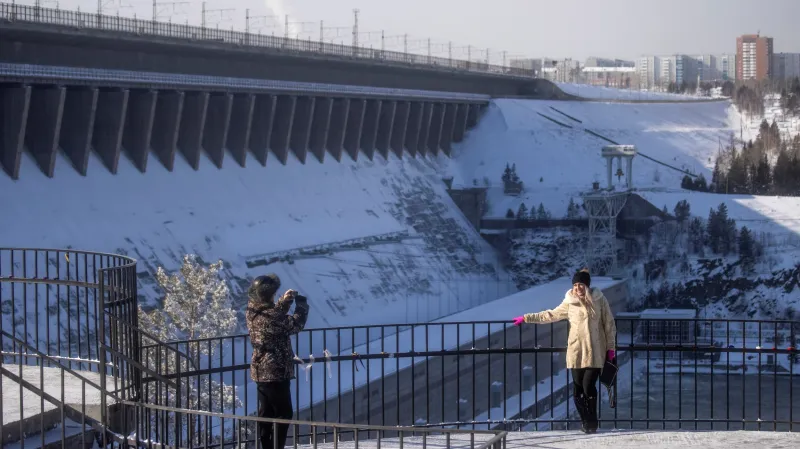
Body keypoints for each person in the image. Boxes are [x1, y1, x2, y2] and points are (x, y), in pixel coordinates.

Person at [512, 269, 616, 434]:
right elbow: (550, 315)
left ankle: (592, 421)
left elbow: (609, 325)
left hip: (595, 350)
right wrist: (526, 318)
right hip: (576, 351)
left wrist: (611, 348)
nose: (577, 288)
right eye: (575, 285)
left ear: (587, 285)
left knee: (589, 386)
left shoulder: (599, 300)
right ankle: (585, 421)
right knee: (577, 388)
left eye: (580, 284)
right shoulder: (569, 303)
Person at [246, 274, 310, 449]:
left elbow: (273, 315)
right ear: (269, 295)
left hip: (260, 370)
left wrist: (284, 301)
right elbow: (295, 324)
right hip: (276, 370)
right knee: (283, 413)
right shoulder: (271, 316)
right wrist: (301, 306)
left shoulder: (252, 311)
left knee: (266, 414)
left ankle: (266, 446)